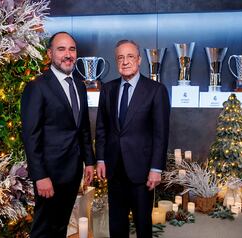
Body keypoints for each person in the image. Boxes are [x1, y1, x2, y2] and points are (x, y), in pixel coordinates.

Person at [21, 32, 95, 238]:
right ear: (50, 53)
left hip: (72, 172)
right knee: (44, 229)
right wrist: (40, 176)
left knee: (60, 226)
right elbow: (31, 136)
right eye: (61, 49)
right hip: (49, 174)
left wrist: (89, 161)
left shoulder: (79, 85)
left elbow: (83, 128)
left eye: (72, 49)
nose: (68, 54)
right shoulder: (37, 87)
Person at [96, 39, 170, 238]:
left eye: (130, 57)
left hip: (142, 170)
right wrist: (101, 159)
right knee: (117, 224)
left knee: (142, 225)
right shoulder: (108, 89)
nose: (125, 61)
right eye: (120, 57)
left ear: (139, 61)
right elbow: (102, 127)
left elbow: (160, 133)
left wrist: (156, 169)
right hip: (114, 169)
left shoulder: (156, 90)